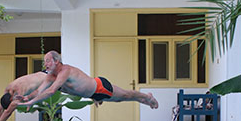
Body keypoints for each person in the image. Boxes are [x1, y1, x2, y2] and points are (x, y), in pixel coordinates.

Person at [18, 50, 159, 109]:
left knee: (125, 96)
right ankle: (143, 99)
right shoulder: (50, 76)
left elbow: (51, 91)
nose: (45, 64)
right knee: (123, 98)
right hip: (93, 94)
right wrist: (27, 98)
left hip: (99, 87)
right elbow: (39, 90)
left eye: (48, 61)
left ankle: (147, 97)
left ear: (56, 61)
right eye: (45, 61)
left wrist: (32, 101)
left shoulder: (65, 71)